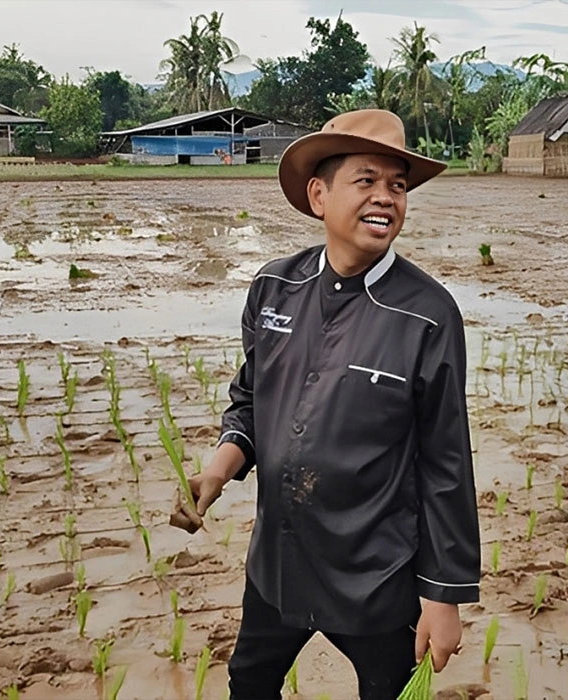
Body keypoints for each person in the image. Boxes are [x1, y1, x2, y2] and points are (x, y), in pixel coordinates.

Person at [171, 109, 480, 699]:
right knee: (249, 683)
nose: (385, 198)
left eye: (397, 185)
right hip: (279, 562)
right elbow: (251, 402)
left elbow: (447, 464)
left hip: (375, 574)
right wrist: (218, 468)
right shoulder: (273, 288)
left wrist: (443, 596)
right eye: (366, 181)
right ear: (319, 194)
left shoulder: (426, 315)